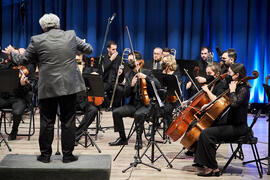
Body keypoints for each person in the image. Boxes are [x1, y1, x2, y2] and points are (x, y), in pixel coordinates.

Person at [3, 13, 93, 163]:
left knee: (47, 122)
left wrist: (11, 52)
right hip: (69, 86)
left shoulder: (37, 40)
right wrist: (72, 50)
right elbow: (89, 49)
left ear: (43, 28)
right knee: (68, 121)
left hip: (48, 88)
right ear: (58, 24)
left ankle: (45, 156)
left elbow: (22, 59)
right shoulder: (70, 35)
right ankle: (68, 156)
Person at [194, 63, 250, 176]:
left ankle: (212, 167)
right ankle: (207, 165)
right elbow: (223, 103)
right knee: (204, 129)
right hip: (230, 123)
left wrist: (233, 91)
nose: (228, 75)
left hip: (238, 128)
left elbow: (234, 104)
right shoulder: (235, 84)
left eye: (230, 73)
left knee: (206, 134)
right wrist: (210, 105)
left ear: (237, 75)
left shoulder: (243, 89)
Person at [108, 51, 161, 150]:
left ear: (139, 61)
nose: (129, 62)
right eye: (129, 60)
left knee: (139, 114)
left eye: (132, 60)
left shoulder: (147, 72)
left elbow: (158, 85)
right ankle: (122, 138)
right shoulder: (128, 74)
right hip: (133, 104)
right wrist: (131, 85)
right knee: (116, 112)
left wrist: (146, 78)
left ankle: (139, 139)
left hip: (146, 105)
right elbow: (126, 94)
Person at [0, 48, 36, 141]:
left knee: (17, 112)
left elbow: (32, 86)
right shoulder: (9, 65)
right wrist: (8, 58)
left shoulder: (29, 67)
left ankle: (14, 130)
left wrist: (23, 85)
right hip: (5, 96)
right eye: (17, 54)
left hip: (20, 97)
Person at [101, 41, 122, 110]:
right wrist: (111, 59)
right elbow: (102, 69)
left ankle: (114, 107)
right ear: (108, 49)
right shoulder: (103, 57)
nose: (115, 51)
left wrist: (121, 72)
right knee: (100, 89)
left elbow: (122, 71)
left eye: (115, 49)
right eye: (113, 49)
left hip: (114, 81)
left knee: (120, 90)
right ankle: (108, 106)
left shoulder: (119, 58)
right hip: (105, 81)